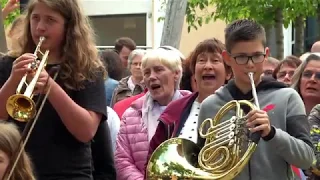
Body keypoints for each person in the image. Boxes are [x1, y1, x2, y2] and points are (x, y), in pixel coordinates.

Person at [0, 0, 111, 179]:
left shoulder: (87, 68)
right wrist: (13, 80)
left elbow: (86, 132)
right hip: (18, 173)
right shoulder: (9, 63)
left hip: (69, 174)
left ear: (69, 26)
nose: (40, 27)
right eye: (35, 18)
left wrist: (51, 88)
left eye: (50, 20)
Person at [198, 19, 314, 180]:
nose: (250, 64)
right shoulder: (210, 105)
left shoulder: (288, 98)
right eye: (241, 57)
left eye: (257, 56)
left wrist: (272, 133)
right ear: (227, 58)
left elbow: (307, 158)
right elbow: (203, 164)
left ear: (266, 54)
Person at [115, 49, 191, 180]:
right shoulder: (131, 115)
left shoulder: (194, 108)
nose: (151, 77)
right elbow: (122, 160)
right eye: (147, 72)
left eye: (158, 70)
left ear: (176, 73)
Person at [149, 38, 232, 156]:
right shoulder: (175, 109)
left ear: (228, 73)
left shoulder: (238, 108)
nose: (208, 66)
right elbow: (154, 157)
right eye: (202, 60)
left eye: (215, 60)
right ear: (194, 72)